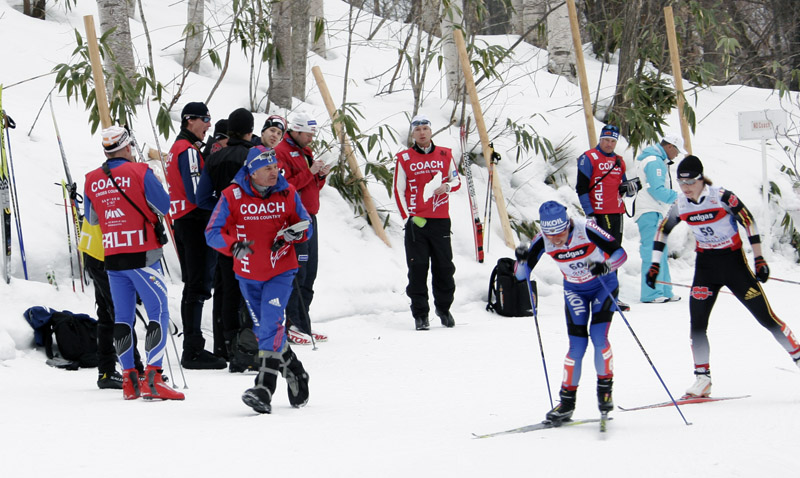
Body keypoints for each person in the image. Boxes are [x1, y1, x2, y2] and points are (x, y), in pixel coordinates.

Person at [647, 155, 800, 398]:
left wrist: (759, 259)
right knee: (697, 324)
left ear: (701, 180)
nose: (686, 188)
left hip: (733, 264)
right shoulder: (681, 203)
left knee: (766, 318)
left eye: (690, 183)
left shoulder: (722, 196)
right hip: (706, 267)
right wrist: (654, 265)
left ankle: (797, 355)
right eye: (681, 183)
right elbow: (662, 230)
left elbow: (749, 222)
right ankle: (702, 379)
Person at [205, 148, 312, 414]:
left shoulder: (287, 192)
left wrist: (292, 235)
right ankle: (297, 372)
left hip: (281, 270)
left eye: (275, 166)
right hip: (247, 273)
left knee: (272, 324)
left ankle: (264, 388)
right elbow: (212, 232)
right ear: (252, 172)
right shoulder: (233, 195)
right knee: (264, 329)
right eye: (267, 168)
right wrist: (233, 247)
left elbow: (305, 224)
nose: (274, 171)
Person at [83, 125, 183, 400]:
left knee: (122, 318)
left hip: (113, 256)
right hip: (143, 254)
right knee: (158, 312)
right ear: (127, 147)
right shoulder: (140, 172)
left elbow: (91, 219)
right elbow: (165, 207)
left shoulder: (92, 178)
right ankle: (154, 377)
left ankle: (129, 381)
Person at [515, 201, 627, 423]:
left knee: (598, 337)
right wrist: (520, 259)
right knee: (576, 346)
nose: (556, 239)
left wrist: (606, 266)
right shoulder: (542, 240)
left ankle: (605, 392)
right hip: (574, 290)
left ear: (568, 224)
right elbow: (521, 276)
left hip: (603, 286)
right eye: (550, 234)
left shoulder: (586, 228)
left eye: (560, 232)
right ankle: (566, 403)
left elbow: (621, 255)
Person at [197, 108, 259, 372]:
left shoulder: (215, 158)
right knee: (253, 287)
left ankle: (226, 344)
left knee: (226, 288)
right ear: (250, 130)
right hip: (253, 232)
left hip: (226, 235)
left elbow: (201, 198)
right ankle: (248, 348)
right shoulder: (256, 156)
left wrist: (222, 210)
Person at [166, 101, 226, 369]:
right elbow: (196, 195)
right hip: (193, 221)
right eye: (205, 119)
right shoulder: (187, 150)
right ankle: (192, 349)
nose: (209, 125)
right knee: (197, 285)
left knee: (194, 284)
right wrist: (225, 204)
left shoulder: (181, 148)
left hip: (183, 220)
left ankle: (192, 346)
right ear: (190, 120)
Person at [392, 114, 461, 330]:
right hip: (417, 221)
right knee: (418, 267)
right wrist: (407, 217)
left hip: (440, 219)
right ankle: (420, 314)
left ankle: (444, 307)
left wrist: (447, 187)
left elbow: (456, 180)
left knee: (444, 267)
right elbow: (398, 189)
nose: (422, 133)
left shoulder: (445, 154)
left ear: (430, 132)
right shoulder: (404, 158)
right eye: (417, 130)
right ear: (412, 134)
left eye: (425, 129)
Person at [274, 112, 330, 345]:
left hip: (310, 217)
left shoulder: (303, 150)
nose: (311, 139)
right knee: (299, 271)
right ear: (295, 132)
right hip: (294, 220)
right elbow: (285, 188)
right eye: (308, 134)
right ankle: (292, 323)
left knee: (311, 271)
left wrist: (321, 176)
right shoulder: (282, 152)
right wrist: (310, 172)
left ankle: (303, 322)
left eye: (312, 134)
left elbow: (309, 185)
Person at [576, 124, 637, 311]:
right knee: (603, 253)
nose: (609, 144)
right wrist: (590, 213)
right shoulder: (589, 158)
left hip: (616, 212)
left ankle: (611, 295)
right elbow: (581, 188)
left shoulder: (619, 160)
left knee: (615, 252)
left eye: (613, 141)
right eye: (606, 140)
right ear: (600, 139)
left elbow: (621, 185)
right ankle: (602, 295)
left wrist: (629, 189)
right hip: (599, 213)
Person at [634, 133, 686, 303]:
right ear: (669, 146)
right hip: (649, 210)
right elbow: (656, 189)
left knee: (661, 251)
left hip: (656, 210)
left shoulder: (657, 160)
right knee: (651, 251)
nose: (677, 155)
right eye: (677, 151)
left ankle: (664, 290)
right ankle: (651, 293)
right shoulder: (654, 161)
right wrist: (680, 197)